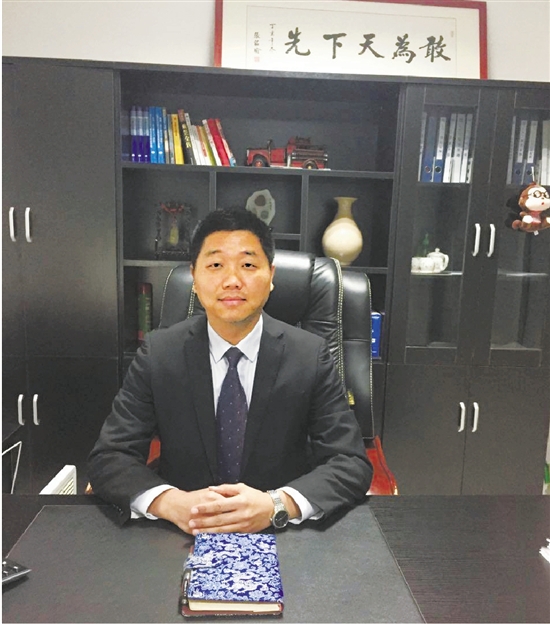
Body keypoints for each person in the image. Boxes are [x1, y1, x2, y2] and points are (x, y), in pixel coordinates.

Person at [88, 208, 372, 535]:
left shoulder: (310, 355)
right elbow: (110, 457)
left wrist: (277, 505)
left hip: (281, 534)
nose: (232, 280)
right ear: (195, 279)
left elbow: (350, 462)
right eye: (215, 265)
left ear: (271, 276)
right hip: (182, 533)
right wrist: (170, 503)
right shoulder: (159, 354)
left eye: (248, 265)